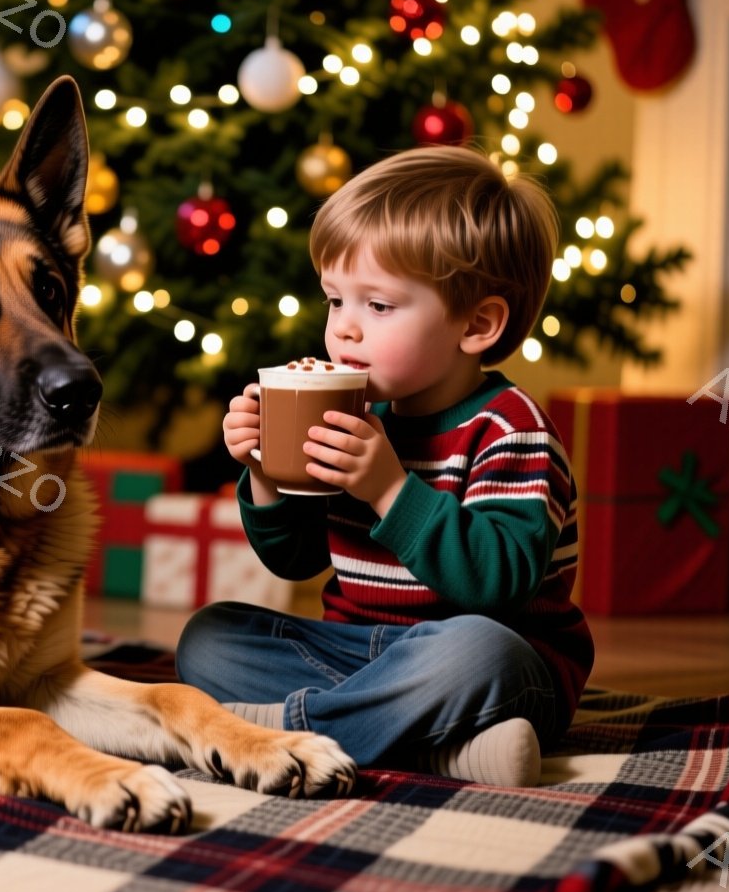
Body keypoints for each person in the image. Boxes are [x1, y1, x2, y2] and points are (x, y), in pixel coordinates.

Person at [177, 146, 594, 787]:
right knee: (209, 638)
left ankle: (277, 733)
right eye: (334, 300)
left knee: (478, 652)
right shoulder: (355, 411)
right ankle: (434, 748)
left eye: (378, 306)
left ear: (477, 325)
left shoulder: (511, 428)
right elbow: (295, 560)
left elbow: (498, 586)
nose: (344, 329)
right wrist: (265, 473)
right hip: (355, 655)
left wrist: (389, 489)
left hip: (491, 664)